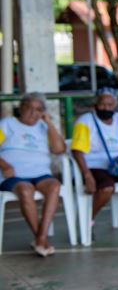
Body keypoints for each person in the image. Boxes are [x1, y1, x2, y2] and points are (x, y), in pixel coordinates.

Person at [71, 88, 118, 235]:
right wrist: (86, 175)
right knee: (107, 188)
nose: (106, 108)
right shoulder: (85, 121)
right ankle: (88, 220)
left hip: (117, 165)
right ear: (96, 104)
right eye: (103, 104)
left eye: (110, 105)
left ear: (115, 105)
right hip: (94, 165)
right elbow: (77, 150)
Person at [0, 93, 65, 256]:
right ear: (21, 108)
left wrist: (48, 122)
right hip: (14, 176)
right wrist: (5, 165)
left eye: (38, 110)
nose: (33, 113)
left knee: (54, 186)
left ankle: (40, 238)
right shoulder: (7, 124)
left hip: (40, 174)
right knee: (26, 189)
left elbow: (59, 149)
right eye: (29, 108)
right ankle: (41, 239)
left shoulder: (44, 127)